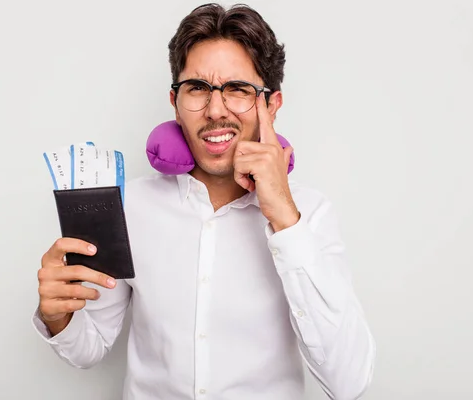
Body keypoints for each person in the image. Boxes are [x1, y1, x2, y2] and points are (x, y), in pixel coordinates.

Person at [33, 3, 376, 400]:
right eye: (198, 88)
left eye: (238, 90)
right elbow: (88, 347)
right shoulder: (131, 206)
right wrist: (57, 316)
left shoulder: (310, 216)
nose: (215, 111)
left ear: (272, 105)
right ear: (175, 103)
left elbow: (349, 382)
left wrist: (284, 218)